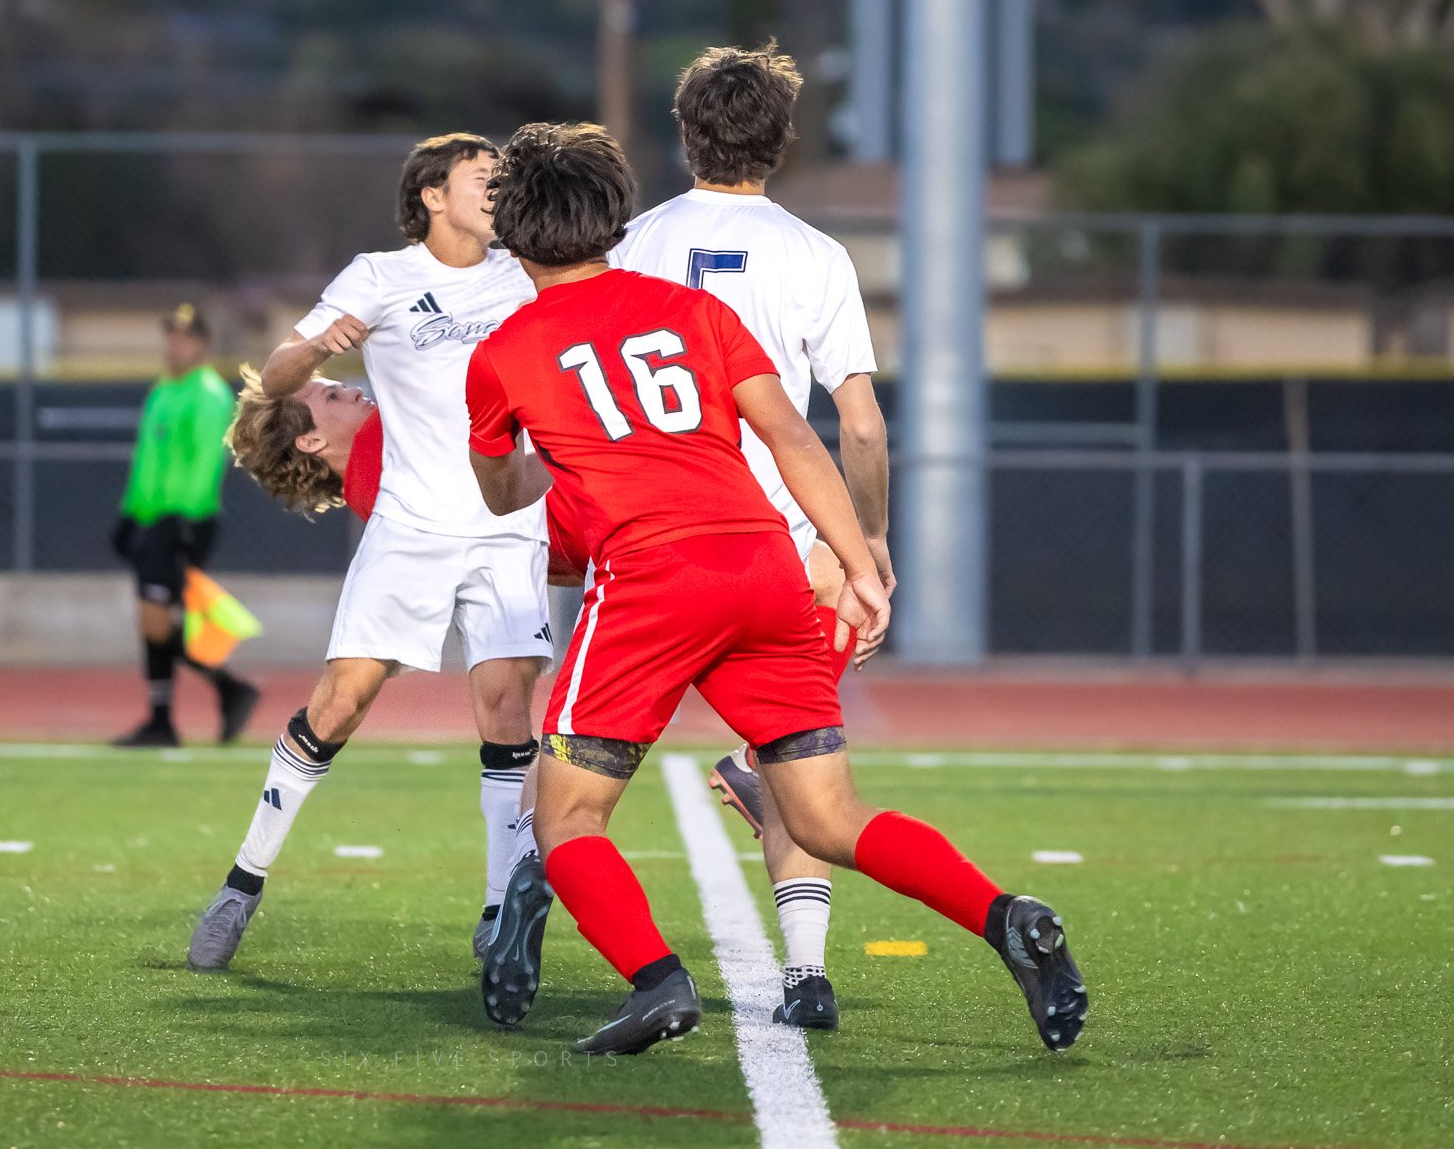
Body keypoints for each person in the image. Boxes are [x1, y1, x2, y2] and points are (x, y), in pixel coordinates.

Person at [463, 122, 1086, 1058]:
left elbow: (504, 490)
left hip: (652, 580)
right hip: (764, 565)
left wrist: (555, 466)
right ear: (614, 216)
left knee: (565, 815)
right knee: (828, 818)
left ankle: (657, 983)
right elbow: (795, 438)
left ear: (510, 234)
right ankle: (1006, 918)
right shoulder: (696, 313)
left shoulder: (503, 351)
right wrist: (861, 565)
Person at [186, 134, 554, 976]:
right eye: (481, 176)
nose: (496, 188)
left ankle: (499, 913)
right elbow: (281, 371)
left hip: (508, 519)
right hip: (411, 529)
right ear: (433, 195)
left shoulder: (522, 269)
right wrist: (317, 347)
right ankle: (244, 880)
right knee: (341, 702)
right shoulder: (379, 276)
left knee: (506, 707)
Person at [606, 44, 893, 1031]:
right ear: (784, 139)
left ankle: (519, 903)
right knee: (798, 759)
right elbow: (861, 427)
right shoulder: (815, 254)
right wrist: (868, 542)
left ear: (684, 131)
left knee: (577, 766)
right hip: (777, 551)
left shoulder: (631, 242)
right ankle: (806, 973)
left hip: (652, 541)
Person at [110, 304, 261, 748]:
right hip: (150, 519)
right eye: (171, 336)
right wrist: (128, 513)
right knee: (152, 620)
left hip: (181, 520)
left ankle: (215, 695)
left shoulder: (208, 393)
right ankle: (182, 710)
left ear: (202, 344)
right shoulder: (162, 391)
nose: (175, 345)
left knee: (156, 620)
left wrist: (184, 521)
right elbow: (146, 460)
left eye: (184, 337)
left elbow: (204, 464)